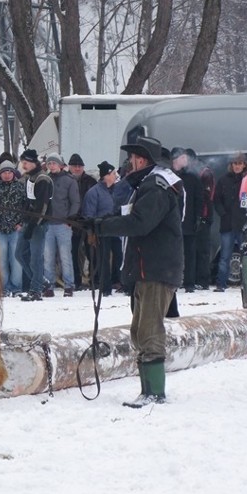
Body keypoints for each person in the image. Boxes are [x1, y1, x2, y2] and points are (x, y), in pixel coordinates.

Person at [85, 136, 183, 407]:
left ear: (141, 160)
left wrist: (103, 227)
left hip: (155, 269)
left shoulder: (157, 187)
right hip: (146, 269)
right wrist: (99, 222)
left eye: (131, 159)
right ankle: (148, 389)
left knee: (149, 331)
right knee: (140, 330)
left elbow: (140, 224)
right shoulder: (148, 185)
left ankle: (154, 393)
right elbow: (131, 218)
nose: (128, 164)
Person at [16, 149, 53, 302]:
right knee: (19, 254)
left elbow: (42, 206)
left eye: (25, 163)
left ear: (32, 163)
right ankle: (40, 281)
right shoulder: (29, 178)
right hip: (28, 221)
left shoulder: (42, 179)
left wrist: (32, 225)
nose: (23, 165)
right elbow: (28, 202)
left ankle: (36, 289)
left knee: (36, 258)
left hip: (39, 223)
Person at [42, 152, 80, 297]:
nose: (51, 166)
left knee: (65, 256)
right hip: (47, 224)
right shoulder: (45, 179)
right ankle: (48, 285)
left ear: (60, 165)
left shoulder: (69, 180)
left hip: (63, 224)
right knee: (48, 257)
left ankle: (69, 285)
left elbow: (75, 201)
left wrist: (70, 219)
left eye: (54, 163)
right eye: (49, 163)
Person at [0, 160, 25, 297]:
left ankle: (16, 287)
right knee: (0, 260)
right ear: (0, 174)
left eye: (9, 172)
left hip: (16, 229)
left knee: (16, 260)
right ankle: (2, 287)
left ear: (13, 173)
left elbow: (27, 207)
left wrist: (21, 223)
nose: (7, 175)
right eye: (4, 172)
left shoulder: (21, 187)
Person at [82, 161, 122, 296]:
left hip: (117, 229)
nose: (116, 175)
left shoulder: (118, 190)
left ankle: (121, 281)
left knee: (120, 256)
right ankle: (105, 287)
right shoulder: (94, 193)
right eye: (113, 173)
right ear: (107, 175)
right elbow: (89, 214)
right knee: (103, 259)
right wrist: (93, 229)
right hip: (102, 232)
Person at [213, 152, 247, 292]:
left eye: (239, 163)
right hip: (227, 224)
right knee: (224, 257)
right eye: (235, 163)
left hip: (244, 224)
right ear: (231, 165)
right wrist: (222, 213)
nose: (237, 166)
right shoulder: (223, 180)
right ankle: (221, 284)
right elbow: (216, 200)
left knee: (246, 257)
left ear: (244, 164)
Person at [171, 147, 204, 293]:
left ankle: (189, 282)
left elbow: (199, 198)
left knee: (190, 254)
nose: (186, 160)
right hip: (172, 222)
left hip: (189, 222)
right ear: (176, 159)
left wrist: (198, 217)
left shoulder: (192, 178)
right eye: (183, 157)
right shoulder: (169, 177)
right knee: (173, 254)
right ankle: (173, 281)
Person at [184, 148, 215, 290]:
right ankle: (197, 278)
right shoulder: (194, 173)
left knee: (202, 250)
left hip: (204, 216)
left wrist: (202, 216)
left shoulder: (204, 173)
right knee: (195, 250)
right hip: (198, 217)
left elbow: (206, 198)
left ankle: (203, 280)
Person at [68, 153, 97, 290]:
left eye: (79, 166)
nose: (77, 168)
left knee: (91, 252)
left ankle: (94, 279)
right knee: (73, 253)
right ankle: (76, 280)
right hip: (71, 222)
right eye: (75, 166)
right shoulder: (66, 180)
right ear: (70, 167)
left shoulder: (90, 181)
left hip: (88, 221)